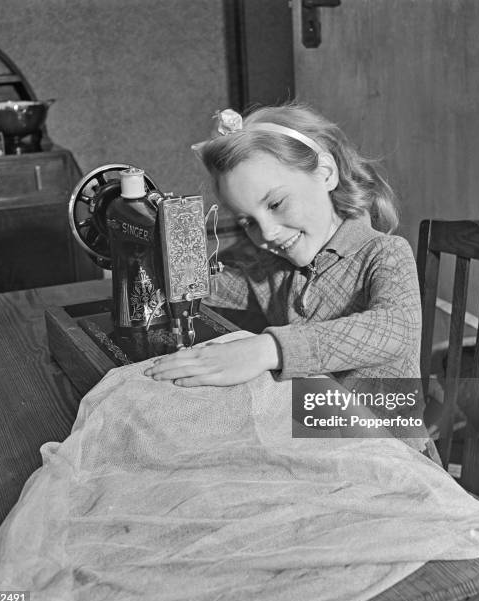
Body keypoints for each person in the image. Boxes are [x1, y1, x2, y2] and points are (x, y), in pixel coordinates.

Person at [144, 102, 437, 458]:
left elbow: (392, 329)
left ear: (326, 172)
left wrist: (267, 350)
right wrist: (151, 252)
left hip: (395, 459)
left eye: (276, 204)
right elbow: (201, 287)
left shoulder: (385, 253)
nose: (266, 232)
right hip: (321, 447)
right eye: (247, 221)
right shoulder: (276, 271)